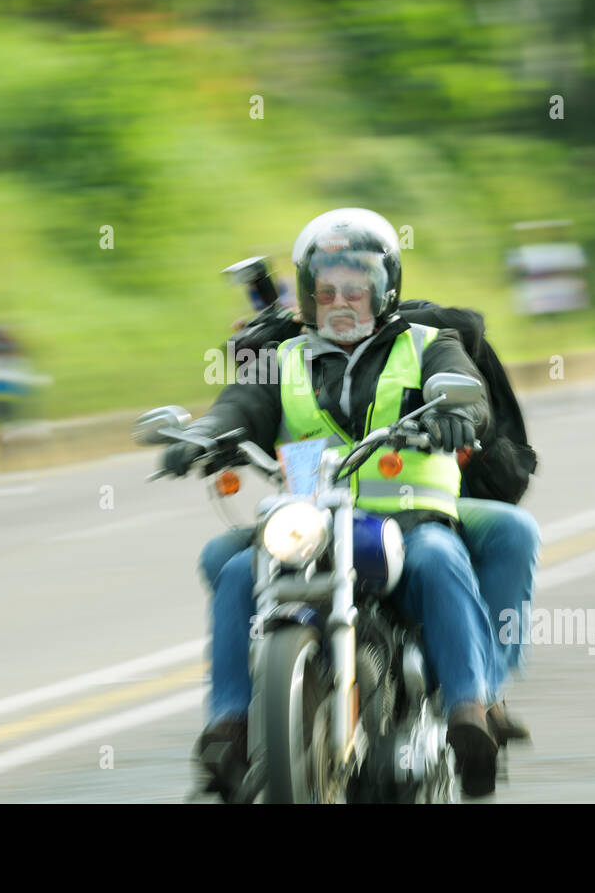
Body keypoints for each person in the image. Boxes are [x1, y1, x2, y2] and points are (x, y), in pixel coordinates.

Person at [161, 208, 504, 800]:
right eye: (326, 289)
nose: (341, 300)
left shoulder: (427, 344)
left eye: (356, 286)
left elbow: (467, 392)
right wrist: (206, 433)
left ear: (384, 287)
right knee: (239, 569)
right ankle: (230, 726)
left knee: (439, 561)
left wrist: (456, 414)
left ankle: (469, 712)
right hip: (314, 522)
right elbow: (241, 403)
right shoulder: (283, 358)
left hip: (410, 518)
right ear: (308, 295)